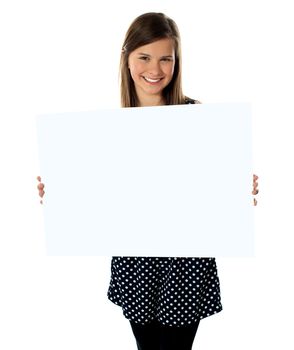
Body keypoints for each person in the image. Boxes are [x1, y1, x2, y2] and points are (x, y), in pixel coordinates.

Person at [37, 12, 259, 350]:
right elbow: (99, 198)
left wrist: (237, 190)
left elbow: (212, 192)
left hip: (186, 264)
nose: (154, 70)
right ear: (127, 60)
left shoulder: (199, 119)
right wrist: (61, 192)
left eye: (165, 59)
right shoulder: (108, 133)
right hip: (136, 262)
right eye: (144, 57)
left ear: (176, 62)